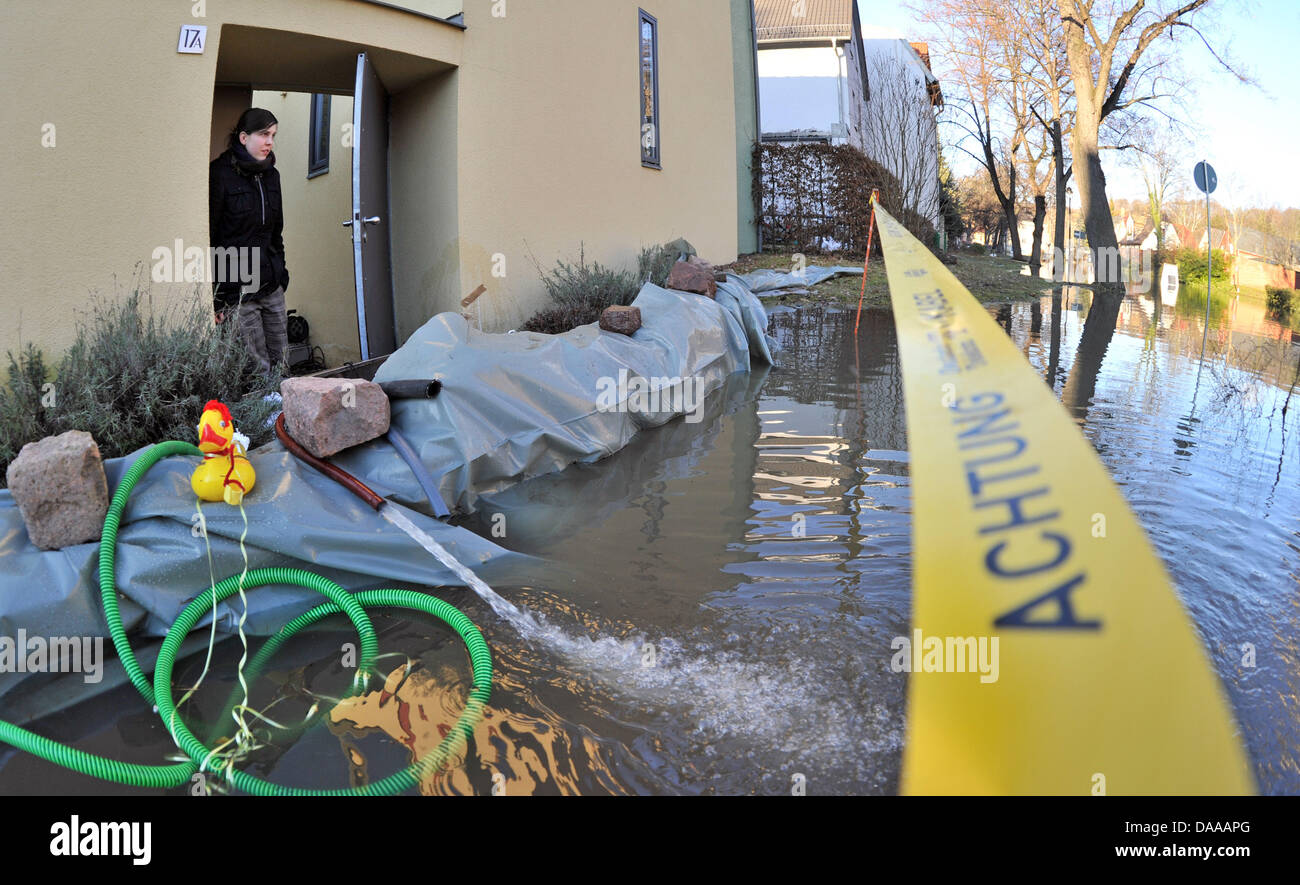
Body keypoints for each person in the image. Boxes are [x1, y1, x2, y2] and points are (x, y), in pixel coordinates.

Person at [209, 108, 290, 376]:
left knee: (282, 361)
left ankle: (285, 416)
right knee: (256, 368)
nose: (270, 142)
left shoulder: (271, 176)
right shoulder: (219, 175)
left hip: (271, 284)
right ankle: (265, 416)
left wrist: (281, 273)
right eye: (263, 134)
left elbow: (276, 231)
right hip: (239, 290)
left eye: (273, 135)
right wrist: (218, 299)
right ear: (244, 138)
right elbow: (212, 237)